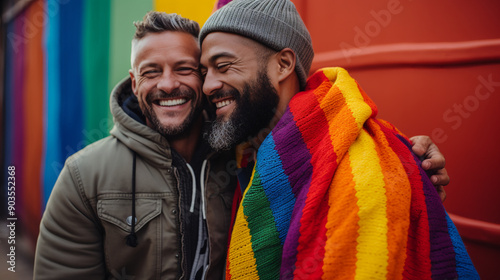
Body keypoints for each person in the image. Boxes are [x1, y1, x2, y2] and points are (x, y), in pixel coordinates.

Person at [199, 0, 478, 279]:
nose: (208, 86)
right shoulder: (245, 141)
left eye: (223, 66)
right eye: (203, 72)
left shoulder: (365, 167)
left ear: (283, 65)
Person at [34, 12, 235, 279]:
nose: (168, 84)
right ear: (134, 82)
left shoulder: (241, 157)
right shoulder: (83, 177)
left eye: (184, 69)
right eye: (151, 72)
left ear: (203, 76)